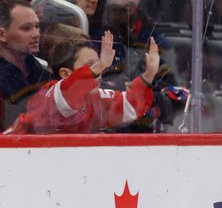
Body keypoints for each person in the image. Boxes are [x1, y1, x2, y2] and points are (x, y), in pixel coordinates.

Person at [4, 30, 157, 133]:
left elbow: (130, 106)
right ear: (65, 73)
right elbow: (70, 91)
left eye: (100, 64)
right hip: (10, 157)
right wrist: (100, 65)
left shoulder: (96, 98)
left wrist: (148, 75)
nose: (99, 72)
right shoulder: (50, 95)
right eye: (91, 65)